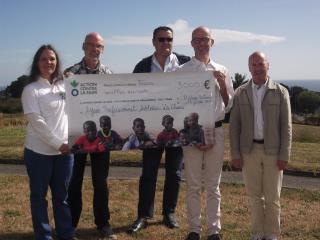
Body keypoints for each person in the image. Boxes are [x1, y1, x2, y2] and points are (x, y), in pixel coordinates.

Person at [128, 26, 190, 234]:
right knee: (148, 174)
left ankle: (168, 213)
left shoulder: (186, 63)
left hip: (177, 129)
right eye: (161, 39)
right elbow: (133, 96)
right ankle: (143, 215)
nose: (166, 43)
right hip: (151, 130)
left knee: (174, 173)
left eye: (169, 39)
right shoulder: (143, 65)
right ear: (153, 41)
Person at [177, 26, 234, 240]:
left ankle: (213, 230)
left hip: (217, 130)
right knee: (192, 183)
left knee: (213, 184)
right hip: (191, 131)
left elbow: (229, 105)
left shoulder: (223, 70)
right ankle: (194, 229)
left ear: (212, 42)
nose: (201, 43)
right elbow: (177, 103)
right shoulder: (182, 71)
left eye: (205, 39)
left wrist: (221, 84)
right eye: (197, 40)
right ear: (192, 43)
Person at [229, 51, 292, 240]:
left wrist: (284, 155)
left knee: (273, 197)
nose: (257, 68)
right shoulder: (241, 92)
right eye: (253, 65)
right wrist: (235, 154)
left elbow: (286, 126)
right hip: (248, 151)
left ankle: (272, 234)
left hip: (273, 152)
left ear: (268, 65)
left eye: (260, 64)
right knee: (254, 196)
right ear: (249, 68)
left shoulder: (280, 92)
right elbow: (234, 126)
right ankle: (257, 233)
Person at [65, 32, 116, 239]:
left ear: (103, 49)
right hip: (77, 137)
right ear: (83, 47)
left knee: (100, 182)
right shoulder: (70, 74)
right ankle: (70, 225)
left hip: (101, 139)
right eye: (92, 45)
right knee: (74, 182)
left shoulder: (109, 74)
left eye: (99, 46)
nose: (95, 49)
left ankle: (103, 224)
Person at [21, 44, 75, 240]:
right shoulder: (31, 89)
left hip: (65, 153)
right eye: (44, 59)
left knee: (62, 197)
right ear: (37, 63)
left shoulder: (65, 85)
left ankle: (66, 234)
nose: (48, 62)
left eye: (52, 59)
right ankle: (44, 236)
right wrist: (57, 143)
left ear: (57, 62)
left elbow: (82, 105)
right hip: (39, 153)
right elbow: (37, 122)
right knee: (39, 197)